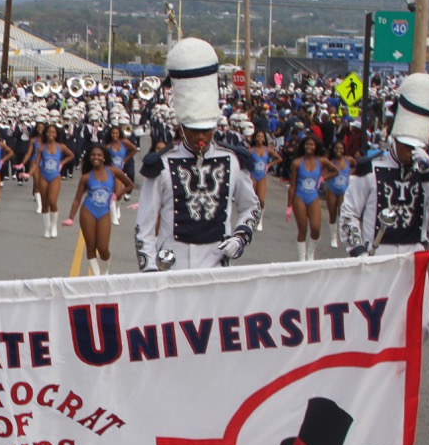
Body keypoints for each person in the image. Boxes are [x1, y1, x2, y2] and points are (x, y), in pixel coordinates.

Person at [135, 38, 260, 271]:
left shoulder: (233, 160)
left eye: (206, 130)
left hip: (215, 267)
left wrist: (241, 237)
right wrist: (150, 272)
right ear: (182, 127)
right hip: (170, 267)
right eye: (194, 130)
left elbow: (251, 206)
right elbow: (144, 225)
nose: (200, 137)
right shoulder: (161, 164)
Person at [340, 73, 429, 258]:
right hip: (376, 260)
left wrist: (428, 173)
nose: (411, 152)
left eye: (417, 147)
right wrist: (358, 250)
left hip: (414, 261)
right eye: (407, 146)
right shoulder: (370, 168)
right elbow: (349, 213)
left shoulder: (428, 171)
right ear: (395, 140)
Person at [64, 144, 133, 275]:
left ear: (104, 157)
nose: (96, 157)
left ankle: (105, 271)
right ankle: (97, 278)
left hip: (104, 212)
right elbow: (77, 199)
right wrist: (70, 217)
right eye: (93, 155)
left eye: (99, 155)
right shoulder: (86, 177)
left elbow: (130, 185)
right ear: (89, 158)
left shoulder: (113, 171)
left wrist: (117, 194)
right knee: (90, 247)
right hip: (88, 211)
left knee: (103, 248)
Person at [287, 136, 338, 261]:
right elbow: (292, 185)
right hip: (299, 196)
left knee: (315, 229)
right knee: (302, 229)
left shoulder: (321, 161)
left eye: (312, 145)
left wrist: (323, 177)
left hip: (313, 197)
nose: (309, 147)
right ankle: (301, 259)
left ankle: (310, 253)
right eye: (307, 144)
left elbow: (335, 171)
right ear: (304, 146)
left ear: (316, 147)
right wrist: (289, 205)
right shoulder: (297, 162)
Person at [33, 125, 75, 238]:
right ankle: (47, 228)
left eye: (53, 132)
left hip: (55, 176)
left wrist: (62, 163)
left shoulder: (61, 146)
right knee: (44, 203)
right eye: (49, 132)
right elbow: (36, 163)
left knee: (52, 201)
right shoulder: (42, 147)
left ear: (56, 134)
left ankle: (54, 225)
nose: (51, 134)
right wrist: (29, 173)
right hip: (43, 176)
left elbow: (71, 155)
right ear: (46, 134)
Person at [247, 129, 282, 232]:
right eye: (258, 136)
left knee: (261, 199)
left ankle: (260, 219)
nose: (260, 138)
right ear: (254, 138)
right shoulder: (251, 150)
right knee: (252, 198)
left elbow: (279, 159)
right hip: (253, 175)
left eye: (262, 137)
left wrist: (269, 165)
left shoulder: (267, 150)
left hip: (262, 176)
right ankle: (251, 218)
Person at [324, 140, 354, 247]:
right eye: (337, 148)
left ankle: (345, 235)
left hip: (343, 190)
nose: (339, 150)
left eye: (341, 148)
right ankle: (333, 238)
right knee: (332, 214)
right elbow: (324, 173)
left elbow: (355, 165)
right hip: (332, 189)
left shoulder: (348, 160)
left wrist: (350, 173)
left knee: (342, 213)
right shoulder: (330, 162)